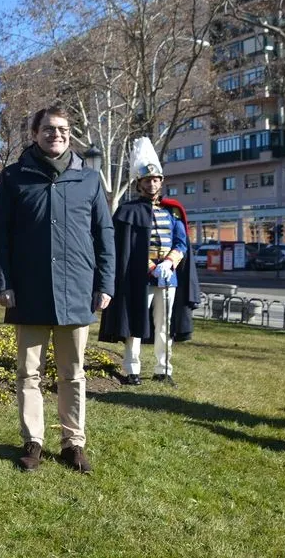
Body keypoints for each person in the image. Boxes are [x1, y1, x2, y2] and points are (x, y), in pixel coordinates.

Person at [0, 104, 115, 474]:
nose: (55, 134)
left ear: (69, 134)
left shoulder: (88, 179)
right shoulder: (14, 177)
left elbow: (104, 234)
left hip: (77, 290)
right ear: (35, 134)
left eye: (62, 129)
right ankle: (33, 441)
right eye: (48, 129)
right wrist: (2, 282)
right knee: (29, 372)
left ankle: (74, 443)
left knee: (72, 373)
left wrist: (105, 283)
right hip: (28, 291)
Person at [99, 138, 199, 386]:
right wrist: (151, 267)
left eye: (155, 180)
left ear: (161, 182)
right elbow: (126, 248)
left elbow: (181, 243)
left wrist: (169, 262)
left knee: (164, 325)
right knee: (135, 322)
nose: (152, 184)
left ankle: (163, 369)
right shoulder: (127, 210)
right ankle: (132, 369)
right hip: (140, 278)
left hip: (168, 278)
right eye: (147, 180)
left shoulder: (172, 211)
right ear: (139, 184)